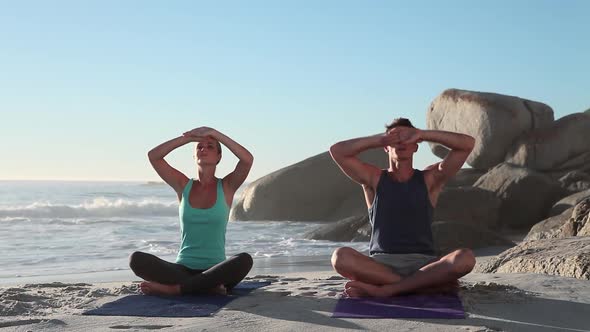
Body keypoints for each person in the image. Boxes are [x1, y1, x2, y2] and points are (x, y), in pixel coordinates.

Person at [329, 118, 476, 297]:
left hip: (424, 265)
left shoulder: (430, 179)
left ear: (416, 146)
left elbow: (467, 144)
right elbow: (337, 151)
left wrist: (422, 134)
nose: (400, 142)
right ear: (386, 146)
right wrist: (380, 138)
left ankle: (390, 289)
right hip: (381, 266)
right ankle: (424, 286)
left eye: (407, 137)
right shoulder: (373, 178)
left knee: (465, 258)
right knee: (340, 257)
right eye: (394, 138)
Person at [129, 126, 254, 296]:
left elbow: (247, 160)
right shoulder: (183, 185)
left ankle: (177, 289)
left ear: (219, 157)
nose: (203, 149)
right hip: (182, 269)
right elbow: (154, 156)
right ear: (194, 155)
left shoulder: (226, 186)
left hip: (216, 269)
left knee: (244, 260)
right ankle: (205, 287)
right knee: (136, 259)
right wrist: (189, 138)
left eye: (210, 147)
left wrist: (215, 133)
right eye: (199, 147)